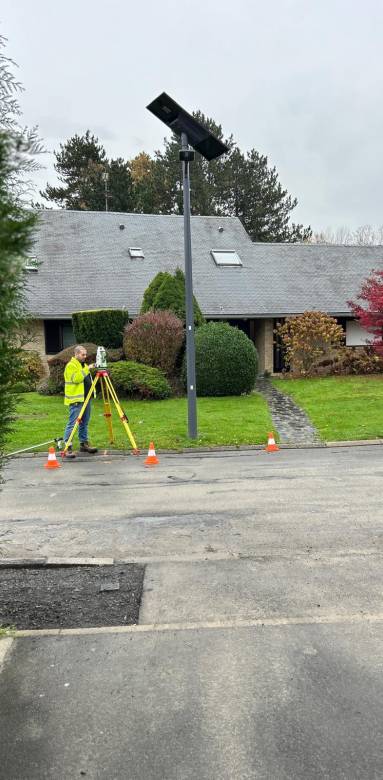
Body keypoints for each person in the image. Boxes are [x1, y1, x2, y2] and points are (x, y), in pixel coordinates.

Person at [63, 345, 98, 459]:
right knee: (73, 423)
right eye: (83, 354)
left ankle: (84, 444)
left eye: (85, 354)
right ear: (76, 354)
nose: (85, 356)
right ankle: (68, 447)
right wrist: (87, 369)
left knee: (85, 422)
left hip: (86, 398)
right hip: (76, 399)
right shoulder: (71, 365)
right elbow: (76, 379)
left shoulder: (81, 365)